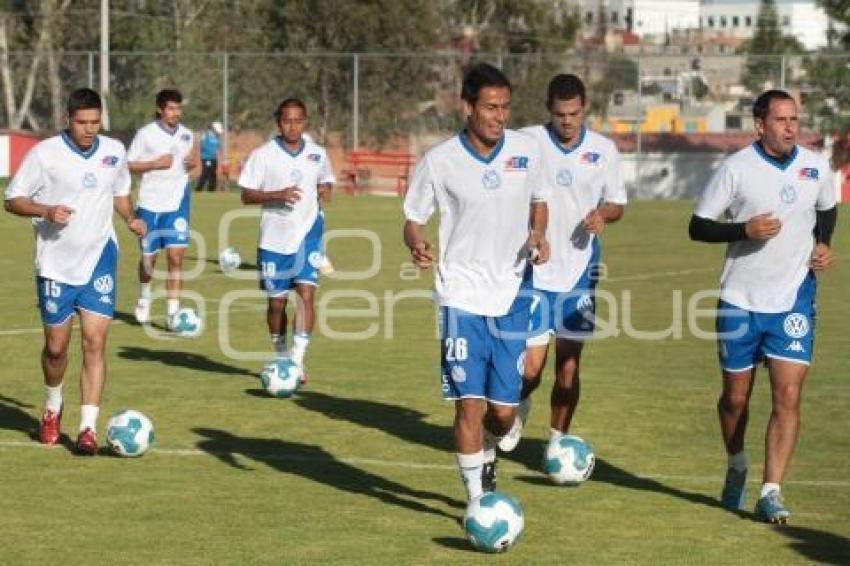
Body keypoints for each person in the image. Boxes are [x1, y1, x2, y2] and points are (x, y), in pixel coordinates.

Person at [403, 63, 550, 502]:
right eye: (490, 107)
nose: (499, 116)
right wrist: (416, 242)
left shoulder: (527, 150)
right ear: (467, 106)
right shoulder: (439, 161)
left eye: (505, 107)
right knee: (469, 403)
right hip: (460, 296)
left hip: (512, 292)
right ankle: (477, 499)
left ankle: (490, 443)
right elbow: (413, 217)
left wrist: (538, 232)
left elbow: (539, 201)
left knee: (502, 414)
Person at [689, 89, 837, 523]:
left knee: (788, 395)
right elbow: (697, 226)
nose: (790, 127)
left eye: (794, 119)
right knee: (735, 400)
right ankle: (737, 464)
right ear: (759, 124)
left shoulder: (815, 165)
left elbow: (827, 207)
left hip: (793, 297)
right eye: (781, 120)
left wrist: (824, 243)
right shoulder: (736, 169)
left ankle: (771, 491)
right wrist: (744, 229)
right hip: (739, 300)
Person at [3, 88, 146, 454]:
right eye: (82, 122)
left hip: (99, 255)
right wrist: (46, 211)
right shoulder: (44, 154)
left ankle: (87, 428)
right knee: (56, 348)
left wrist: (130, 218)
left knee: (95, 341)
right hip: (55, 263)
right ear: (68, 119)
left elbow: (119, 193)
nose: (89, 129)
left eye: (95, 122)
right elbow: (12, 199)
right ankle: (52, 406)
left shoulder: (114, 152)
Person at [497, 74, 626, 456]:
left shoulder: (604, 149)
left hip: (580, 271)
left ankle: (558, 443)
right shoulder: (528, 142)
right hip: (536, 269)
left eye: (574, 113)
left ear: (584, 109)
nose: (567, 121)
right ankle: (520, 404)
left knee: (568, 365)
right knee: (532, 368)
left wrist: (604, 215)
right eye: (559, 114)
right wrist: (532, 232)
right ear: (549, 111)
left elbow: (617, 203)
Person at [238, 98, 335, 380]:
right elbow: (246, 194)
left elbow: (326, 180)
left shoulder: (317, 153)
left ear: (305, 121)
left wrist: (326, 188)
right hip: (273, 241)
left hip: (309, 234)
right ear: (278, 122)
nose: (293, 126)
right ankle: (280, 354)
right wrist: (276, 194)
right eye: (287, 121)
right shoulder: (263, 155)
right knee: (276, 304)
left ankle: (296, 359)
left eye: (298, 120)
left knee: (306, 295)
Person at [129, 89, 197, 327]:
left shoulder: (188, 135)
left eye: (178, 108)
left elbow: (194, 168)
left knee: (176, 257)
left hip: (178, 203)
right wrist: (154, 164)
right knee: (150, 260)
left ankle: (172, 314)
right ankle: (144, 297)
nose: (175, 113)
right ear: (160, 109)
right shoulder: (145, 135)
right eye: (170, 108)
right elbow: (129, 165)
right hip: (150, 204)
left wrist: (193, 165)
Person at [195, 121, 223, 192]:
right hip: (206, 158)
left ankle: (211, 190)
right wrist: (212, 151)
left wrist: (220, 150)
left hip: (213, 158)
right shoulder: (206, 135)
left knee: (213, 174)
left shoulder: (217, 137)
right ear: (213, 129)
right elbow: (203, 146)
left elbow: (218, 146)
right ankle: (198, 189)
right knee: (205, 173)